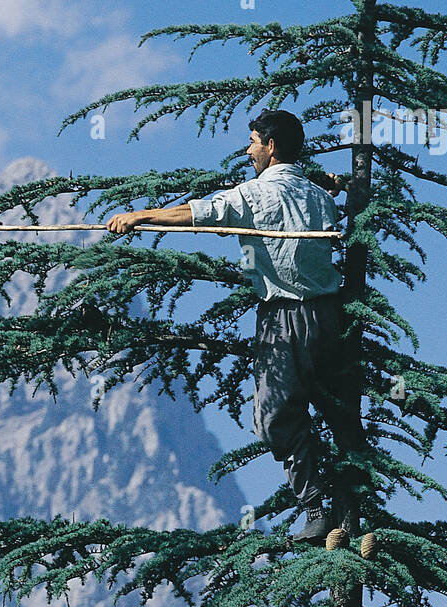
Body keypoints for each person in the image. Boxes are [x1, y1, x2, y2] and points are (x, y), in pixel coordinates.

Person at [107, 110, 364, 542]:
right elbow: (322, 187)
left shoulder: (256, 196)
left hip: (284, 318)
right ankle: (349, 507)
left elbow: (196, 213)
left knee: (273, 418)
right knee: (331, 408)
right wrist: (338, 183)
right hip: (331, 317)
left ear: (271, 146)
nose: (248, 151)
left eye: (253, 142)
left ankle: (318, 506)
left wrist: (139, 216)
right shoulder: (318, 195)